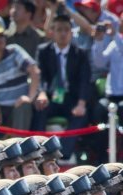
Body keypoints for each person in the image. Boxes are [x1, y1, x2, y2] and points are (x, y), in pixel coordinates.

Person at [34, 14, 92, 156]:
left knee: (81, 115)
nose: (63, 33)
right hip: (51, 96)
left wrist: (81, 103)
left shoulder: (80, 53)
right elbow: (40, 75)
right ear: (52, 32)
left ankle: (63, 152)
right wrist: (41, 92)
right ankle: (37, 151)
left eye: (66, 30)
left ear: (72, 33)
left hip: (71, 98)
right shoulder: (43, 51)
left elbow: (85, 79)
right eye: (59, 30)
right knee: (39, 109)